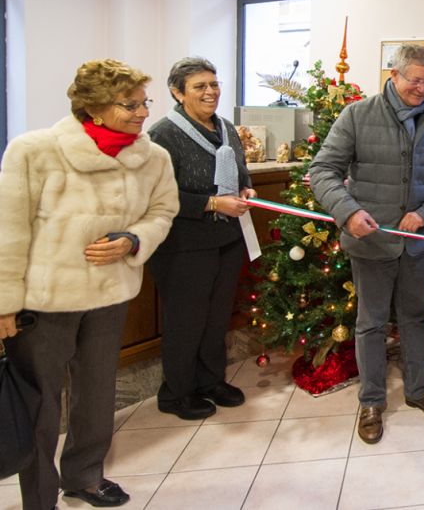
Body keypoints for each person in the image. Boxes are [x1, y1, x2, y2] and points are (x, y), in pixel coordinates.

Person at [0, 59, 179, 510]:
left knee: (97, 393)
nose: (142, 113)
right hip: (44, 301)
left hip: (110, 294)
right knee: (39, 404)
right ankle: (38, 497)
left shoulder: (152, 156)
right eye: (130, 104)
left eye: (144, 103)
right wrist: (4, 302)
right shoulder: (33, 151)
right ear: (94, 109)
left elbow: (162, 212)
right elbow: (9, 230)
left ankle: (84, 475)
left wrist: (133, 239)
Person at [310, 44, 424, 445]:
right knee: (372, 323)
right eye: (415, 80)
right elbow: (323, 171)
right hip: (372, 244)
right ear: (393, 74)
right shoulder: (357, 115)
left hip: (417, 244)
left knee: (415, 318)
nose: (422, 88)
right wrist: (347, 212)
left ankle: (417, 392)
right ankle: (372, 401)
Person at [148, 57, 257, 420]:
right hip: (184, 245)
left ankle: (211, 381)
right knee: (186, 320)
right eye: (200, 86)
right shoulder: (163, 134)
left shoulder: (225, 128)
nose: (211, 92)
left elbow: (241, 172)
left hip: (227, 239)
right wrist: (212, 202)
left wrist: (246, 189)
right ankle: (176, 392)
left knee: (215, 318)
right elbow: (157, 195)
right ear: (178, 93)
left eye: (214, 84)